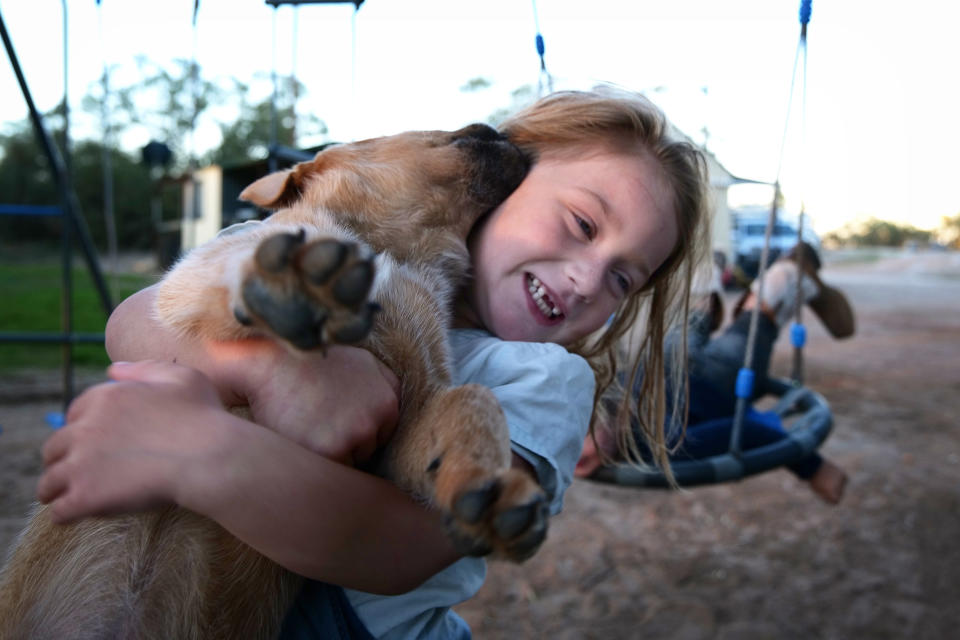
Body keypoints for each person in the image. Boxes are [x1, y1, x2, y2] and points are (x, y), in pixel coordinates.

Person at [35, 89, 711, 638]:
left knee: (463, 412)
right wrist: (270, 371)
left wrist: (198, 453)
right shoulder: (310, 239)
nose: (591, 278)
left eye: (625, 280)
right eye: (582, 225)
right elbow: (135, 320)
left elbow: (395, 553)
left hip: (355, 623)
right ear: (503, 187)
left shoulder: (545, 377)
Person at [576, 242, 853, 505]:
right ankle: (787, 272)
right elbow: (743, 431)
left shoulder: (597, 394)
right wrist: (815, 468)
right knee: (751, 322)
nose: (587, 422)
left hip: (663, 364)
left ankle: (718, 273)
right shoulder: (657, 445)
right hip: (712, 379)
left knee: (691, 322)